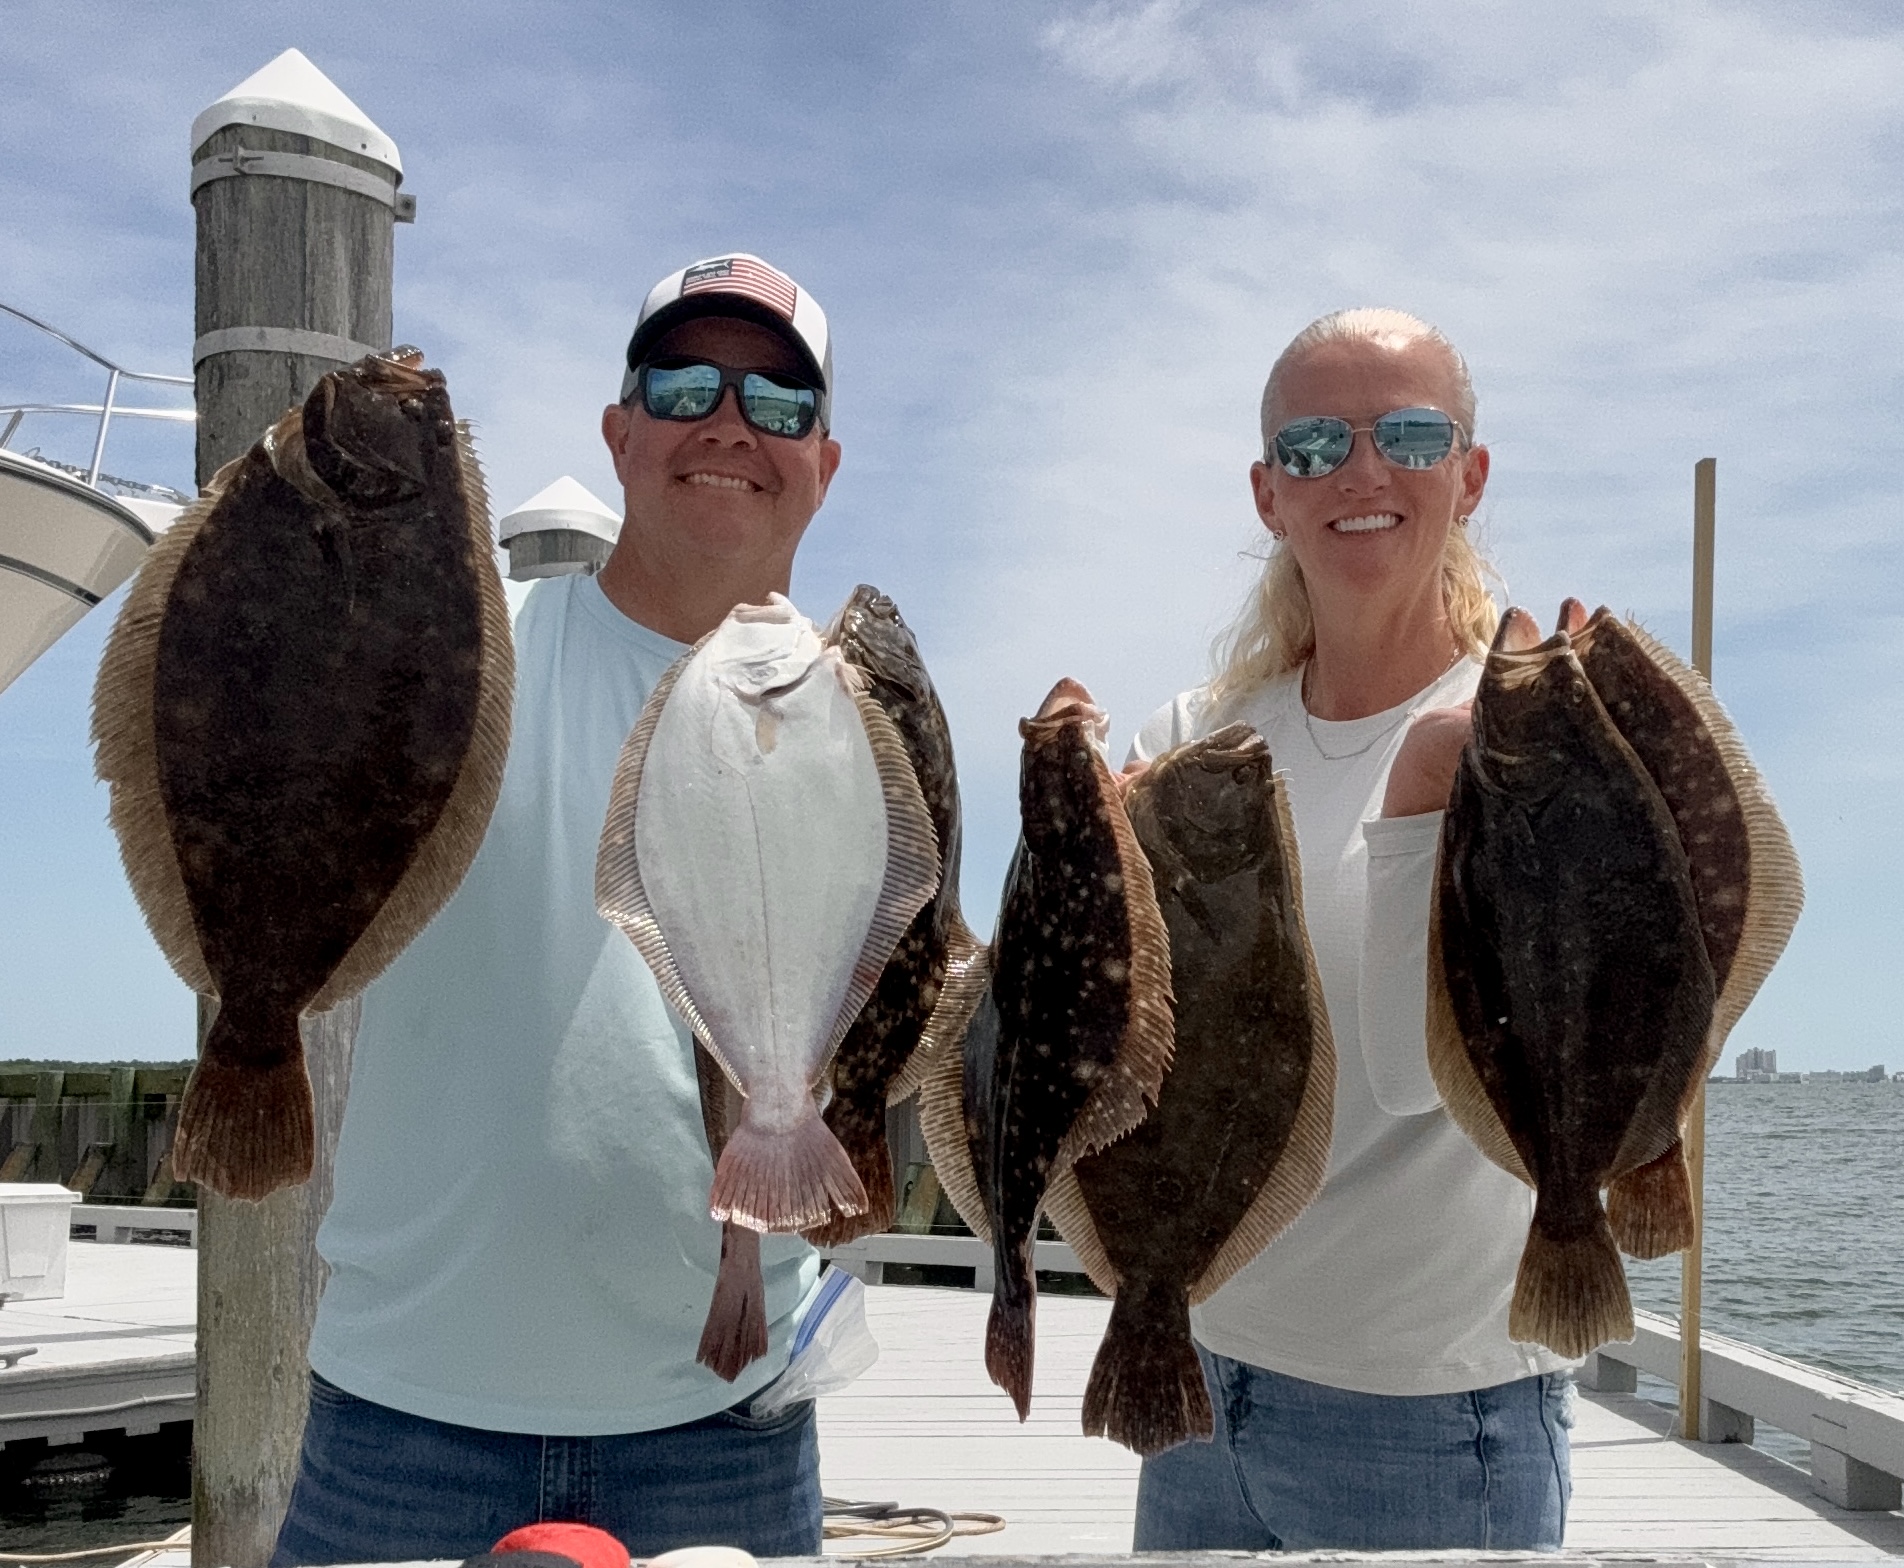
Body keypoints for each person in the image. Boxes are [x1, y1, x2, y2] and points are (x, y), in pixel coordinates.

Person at [273, 254, 843, 1566]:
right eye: (685, 382)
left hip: (726, 1420)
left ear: (822, 460)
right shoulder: (462, 652)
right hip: (402, 1411)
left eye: (778, 401)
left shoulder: (854, 729)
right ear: (621, 429)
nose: (729, 423)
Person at [1127, 308, 1575, 1552]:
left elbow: (1424, 1070)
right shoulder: (1193, 738)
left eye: (1408, 434)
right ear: (1269, 493)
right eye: (1316, 442)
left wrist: (1431, 797)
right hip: (1201, 1381)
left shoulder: (1532, 730)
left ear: (1468, 475)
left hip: (1440, 1411)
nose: (1361, 470)